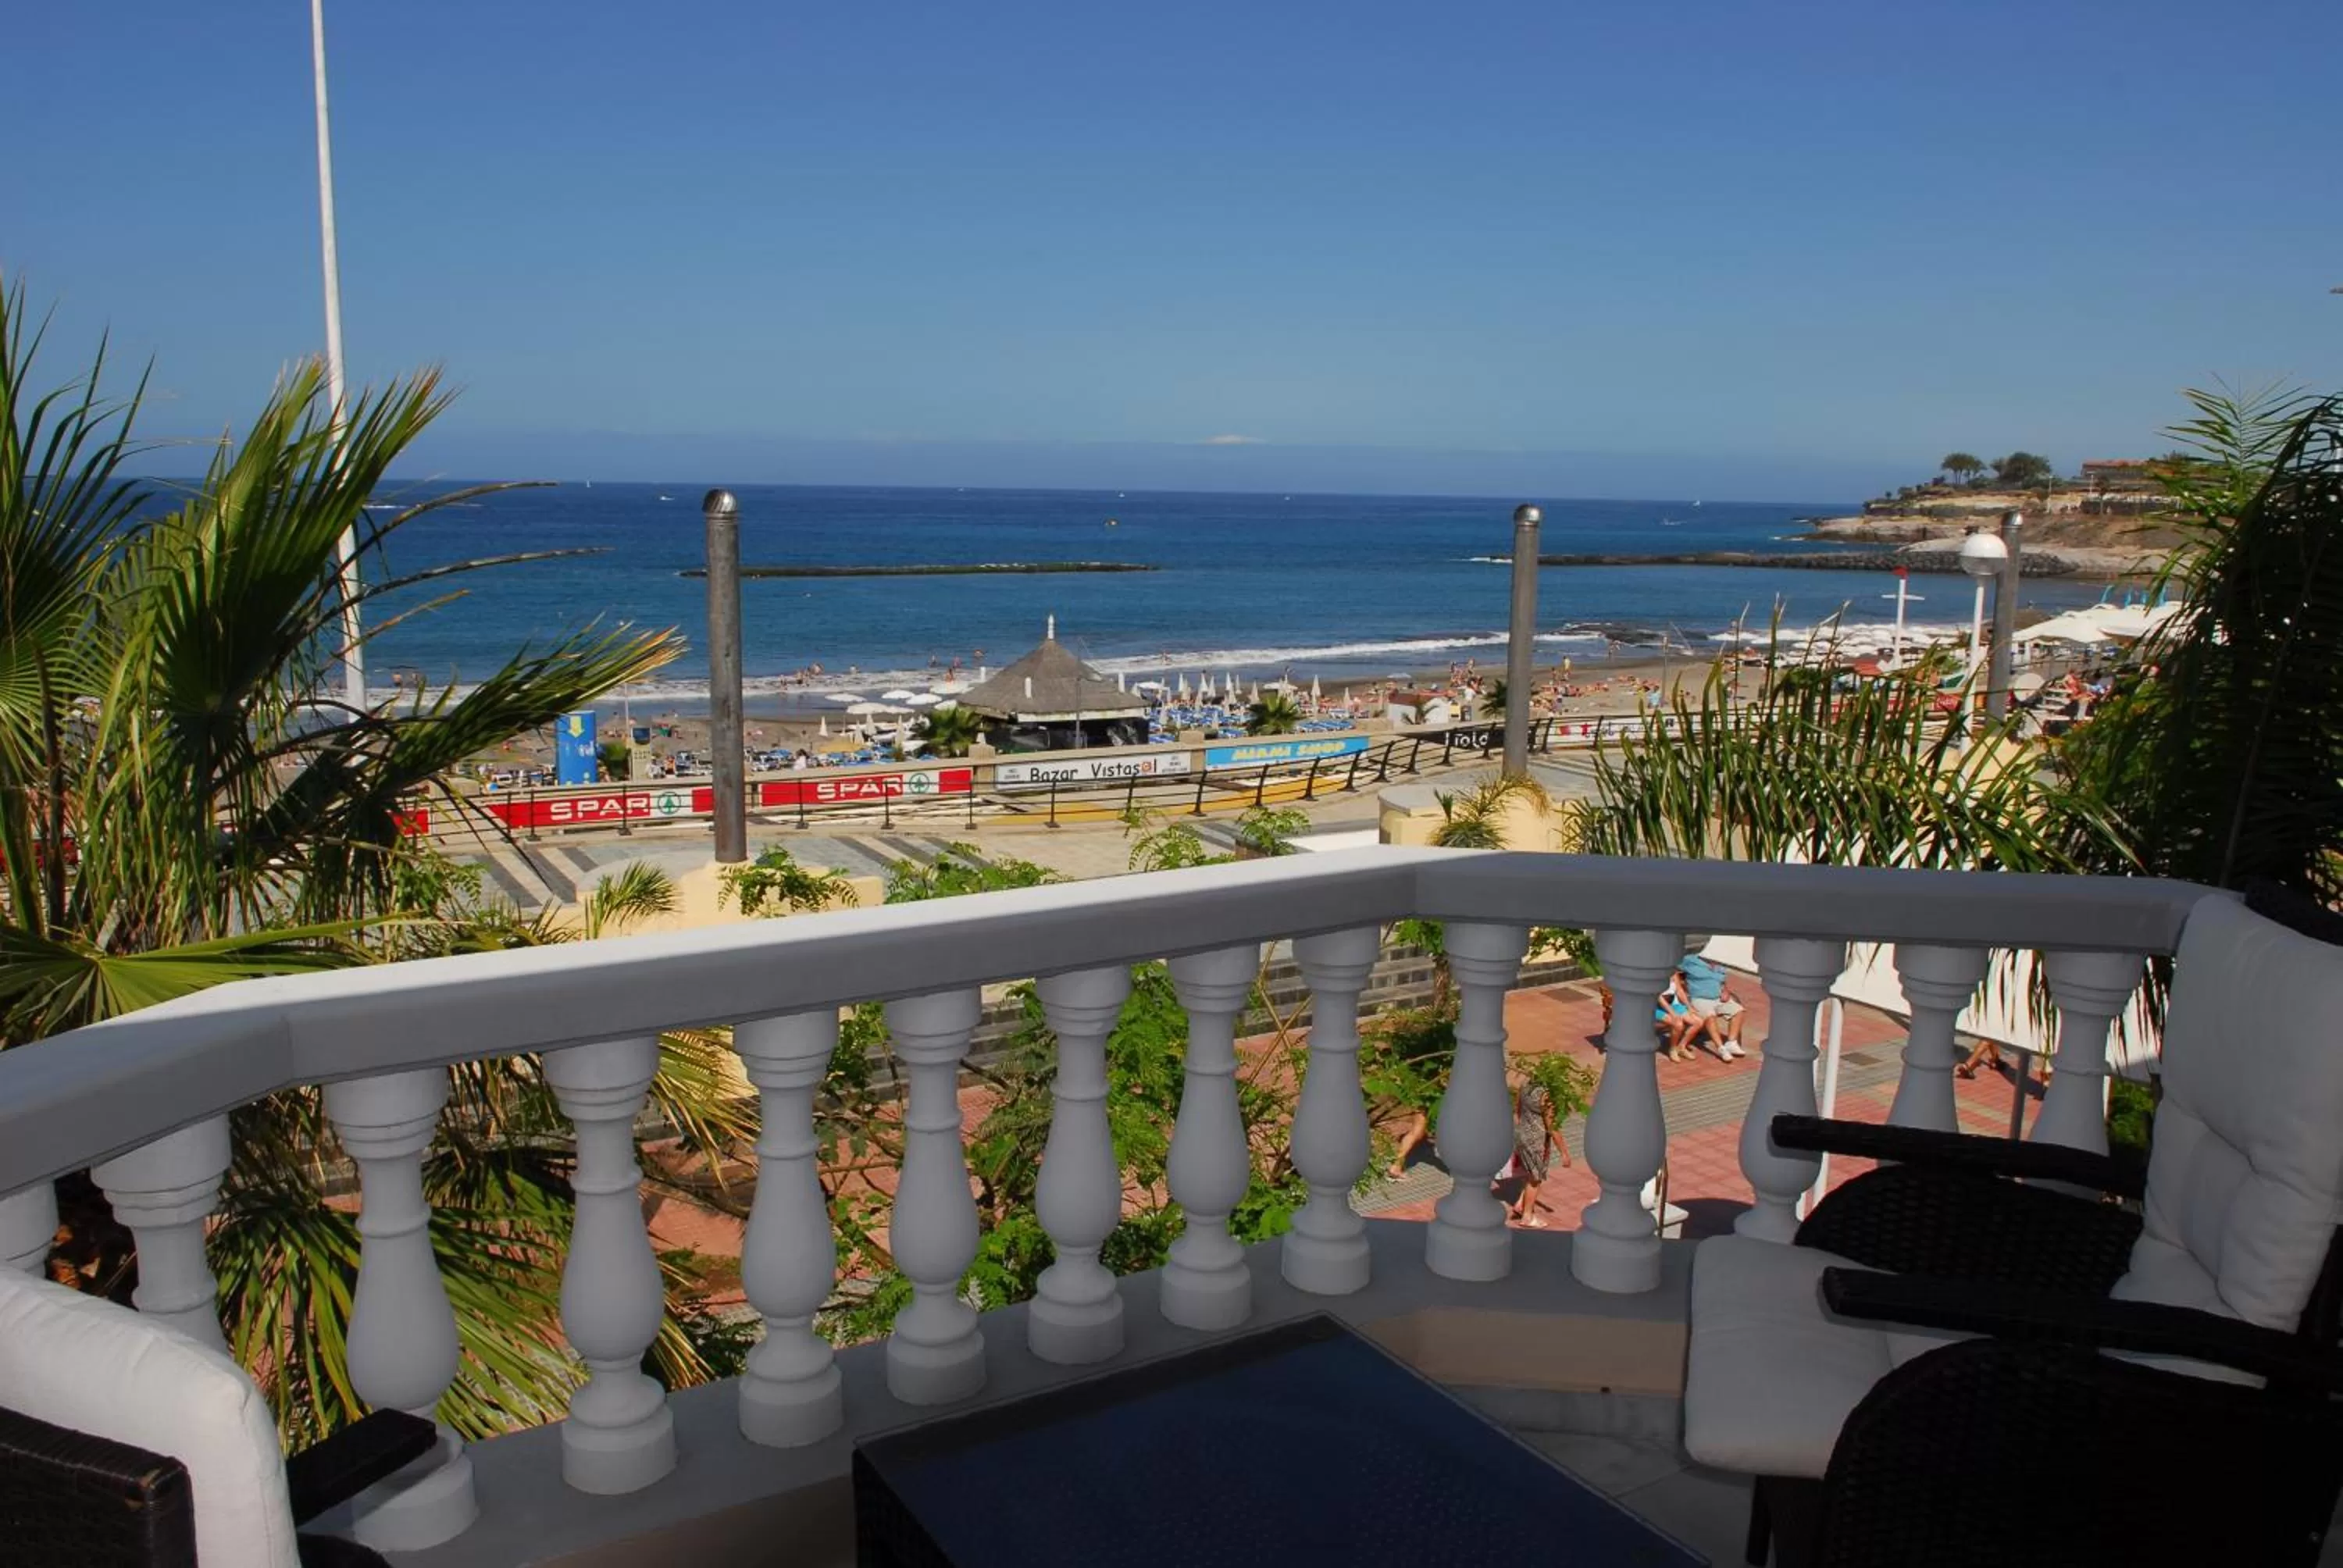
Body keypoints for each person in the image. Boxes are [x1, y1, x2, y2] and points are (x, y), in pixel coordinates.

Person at [1504, 1071, 1573, 1228]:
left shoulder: (1526, 1085)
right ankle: (1527, 1217)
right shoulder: (1546, 1096)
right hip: (1537, 1142)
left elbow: (1518, 1111)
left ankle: (1520, 1205)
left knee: (1530, 1172)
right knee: (1535, 1179)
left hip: (1522, 1135)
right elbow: (1552, 1128)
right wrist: (1564, 1153)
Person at [1678, 952, 1748, 1060]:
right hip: (1700, 999)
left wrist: (1725, 991)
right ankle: (1721, 1049)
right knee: (1710, 1016)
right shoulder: (1690, 960)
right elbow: (1672, 968)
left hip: (1718, 998)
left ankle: (1731, 1043)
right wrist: (1680, 986)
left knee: (1739, 1011)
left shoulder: (1720, 963)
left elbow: (1722, 981)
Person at [1654, 971, 1703, 1063]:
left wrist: (1689, 1007)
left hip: (1673, 1004)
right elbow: (1658, 997)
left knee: (1698, 1022)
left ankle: (1681, 1047)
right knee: (1678, 1024)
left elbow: (1680, 991)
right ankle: (1673, 1049)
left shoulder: (1673, 973)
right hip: (1656, 1006)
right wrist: (1672, 1013)